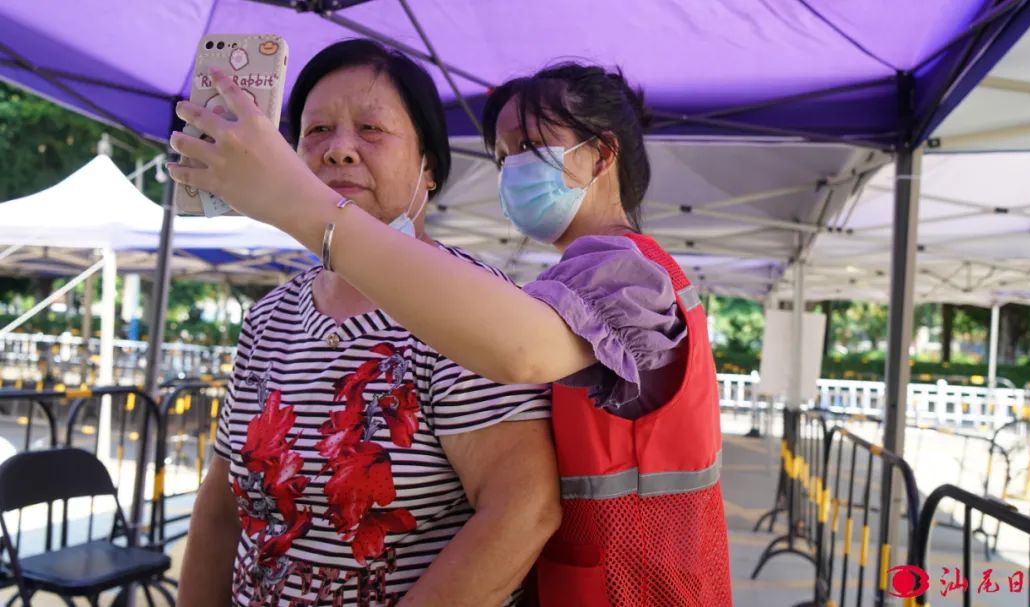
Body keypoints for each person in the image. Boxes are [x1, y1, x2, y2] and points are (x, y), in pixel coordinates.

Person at [169, 56, 732, 606]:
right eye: (505, 157)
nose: (339, 148)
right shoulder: (567, 285)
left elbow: (518, 353)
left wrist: (296, 203)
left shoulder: (630, 278)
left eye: (532, 149)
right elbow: (222, 503)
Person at [175, 39, 561, 607]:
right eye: (317, 132)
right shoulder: (267, 319)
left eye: (372, 130)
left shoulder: (469, 307)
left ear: (428, 166)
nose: (339, 151)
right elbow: (219, 510)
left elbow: (523, 509)